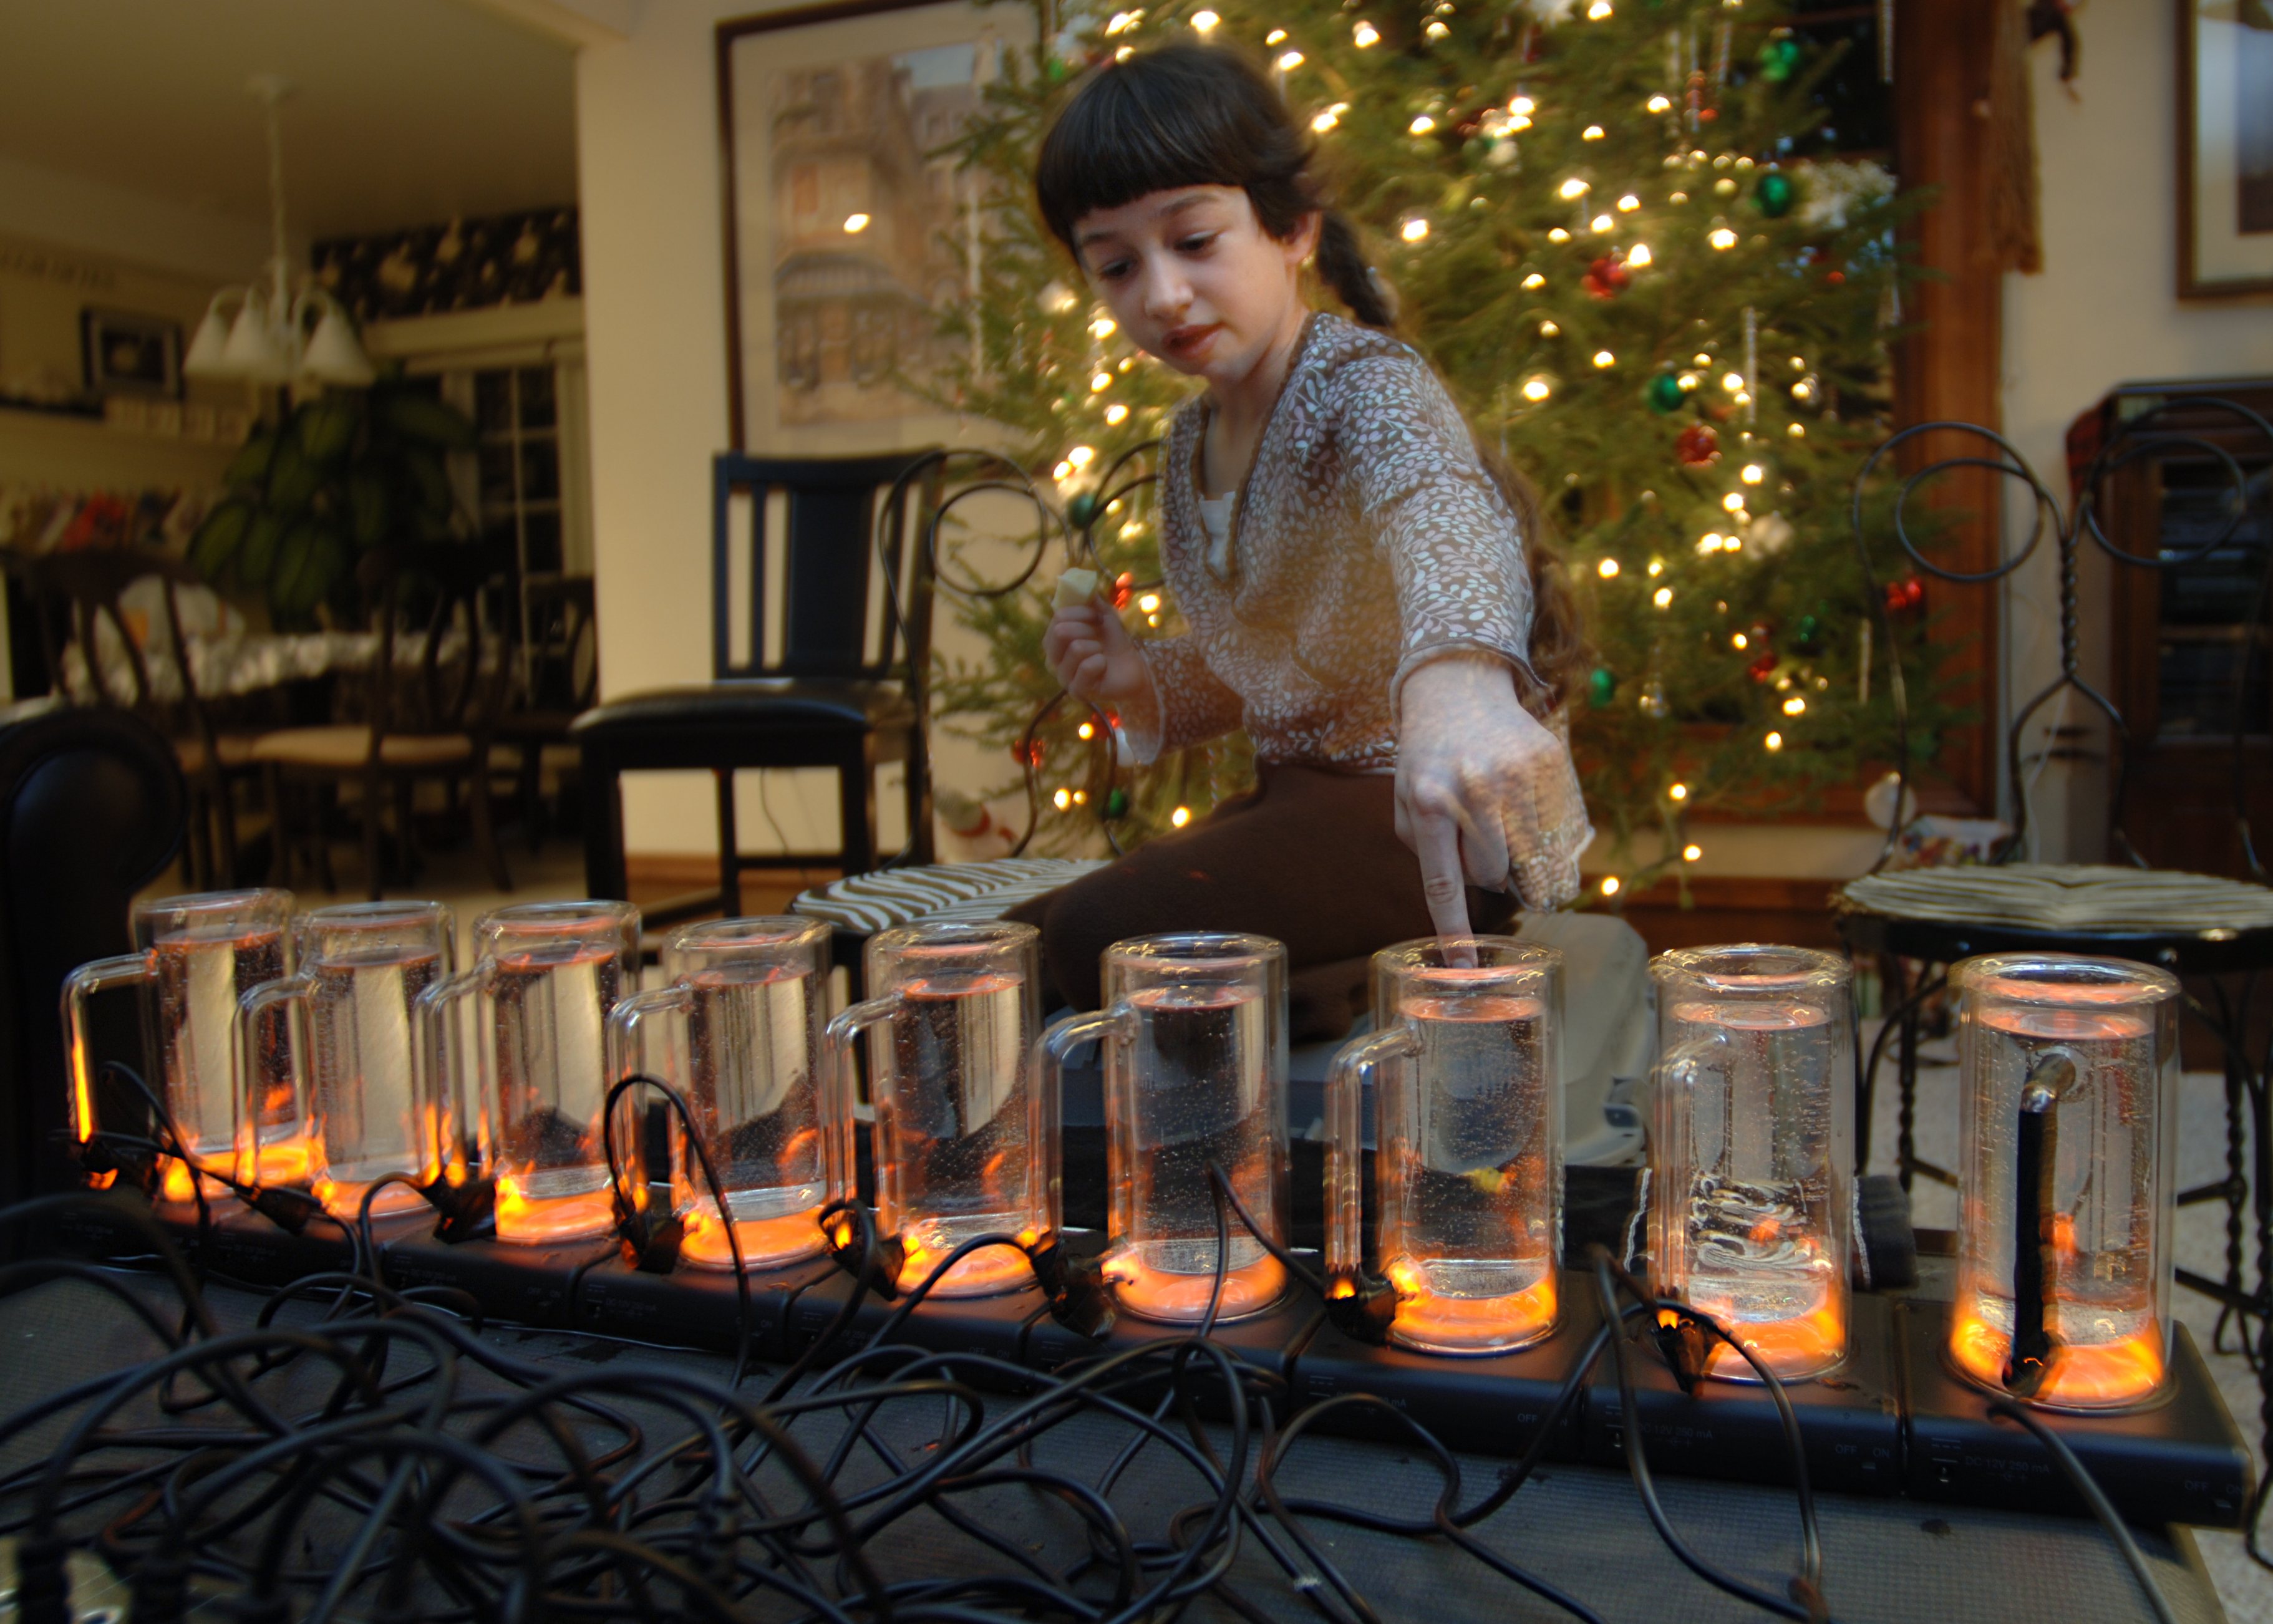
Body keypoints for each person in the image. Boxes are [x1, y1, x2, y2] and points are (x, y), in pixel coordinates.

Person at [1004, 42, 1592, 1038]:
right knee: (1004, 953)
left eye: (1194, 240)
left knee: (1093, 937)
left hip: (1417, 819)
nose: (1162, 294)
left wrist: (1459, 678)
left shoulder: (1365, 384)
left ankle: (1332, 1003)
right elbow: (1276, 666)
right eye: (1117, 264)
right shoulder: (1190, 440)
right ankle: (1318, 984)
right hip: (1299, 808)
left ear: (1291, 228)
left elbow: (1440, 507)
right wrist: (1142, 678)